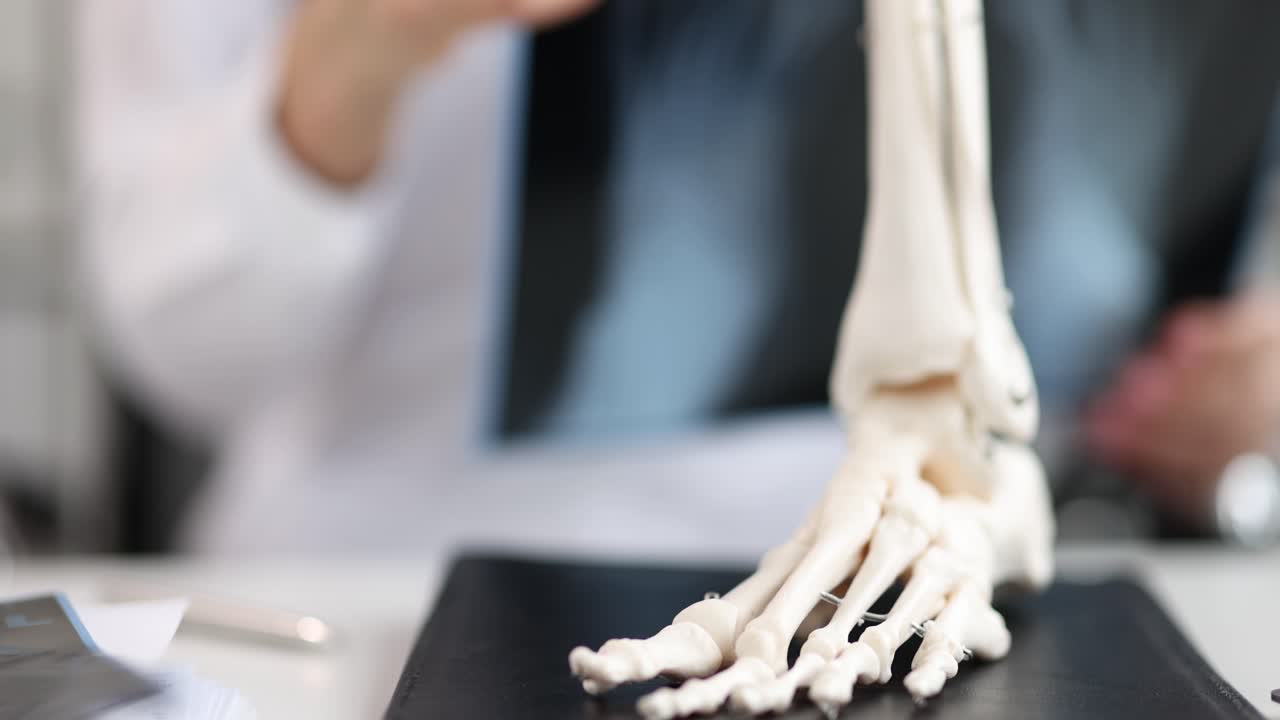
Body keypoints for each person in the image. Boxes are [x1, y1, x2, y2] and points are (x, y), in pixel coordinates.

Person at [77, 0, 1280, 554]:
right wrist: (352, 53)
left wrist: (1246, 403)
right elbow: (176, 352)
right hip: (410, 588)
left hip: (1011, 592)